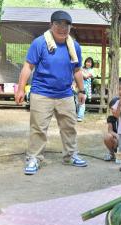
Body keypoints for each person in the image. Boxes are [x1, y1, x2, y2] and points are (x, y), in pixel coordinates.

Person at [15, 10, 87, 175]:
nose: (62, 28)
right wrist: (20, 88)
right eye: (58, 24)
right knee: (38, 128)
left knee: (69, 127)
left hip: (66, 93)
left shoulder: (74, 46)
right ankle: (34, 158)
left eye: (66, 25)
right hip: (41, 93)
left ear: (70, 27)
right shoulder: (39, 43)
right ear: (51, 25)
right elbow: (28, 67)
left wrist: (81, 90)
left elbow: (77, 70)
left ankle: (71, 155)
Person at [77, 57, 94, 122]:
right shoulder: (82, 68)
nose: (88, 63)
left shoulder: (91, 70)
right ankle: (79, 114)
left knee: (82, 101)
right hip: (78, 87)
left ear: (92, 64)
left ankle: (80, 116)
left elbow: (86, 76)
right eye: (87, 62)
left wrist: (80, 71)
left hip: (85, 88)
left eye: (90, 62)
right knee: (78, 102)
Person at [103, 96, 120, 161]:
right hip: (116, 140)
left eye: (114, 108)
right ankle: (112, 154)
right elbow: (110, 131)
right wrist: (117, 136)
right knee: (107, 136)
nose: (112, 110)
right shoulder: (111, 118)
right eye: (111, 109)